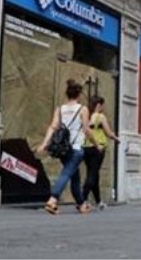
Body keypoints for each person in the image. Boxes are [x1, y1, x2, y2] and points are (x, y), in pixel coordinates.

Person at [36, 79, 98, 215]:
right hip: (76, 148)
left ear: (67, 94)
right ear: (79, 94)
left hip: (63, 149)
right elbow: (87, 130)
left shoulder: (60, 109)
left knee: (74, 177)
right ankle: (53, 199)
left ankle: (81, 204)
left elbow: (53, 126)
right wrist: (96, 144)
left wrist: (44, 143)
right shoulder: (83, 109)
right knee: (66, 173)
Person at [81, 95, 119, 211]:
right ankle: (82, 200)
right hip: (98, 148)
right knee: (92, 174)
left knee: (94, 173)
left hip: (86, 147)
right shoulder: (100, 117)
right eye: (102, 105)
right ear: (98, 105)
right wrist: (117, 139)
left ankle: (98, 201)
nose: (103, 108)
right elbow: (108, 133)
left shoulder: (87, 116)